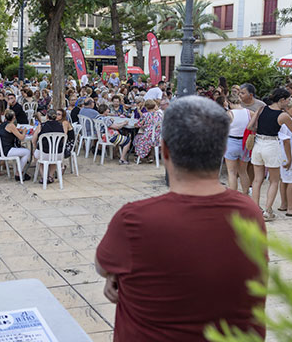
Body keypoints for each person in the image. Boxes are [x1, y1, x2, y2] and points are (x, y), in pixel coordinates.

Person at [96, 96, 266, 342]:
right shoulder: (250, 211)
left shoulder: (135, 219)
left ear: (165, 150)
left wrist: (117, 275)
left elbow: (103, 266)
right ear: (221, 150)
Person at [247, 88, 292, 221]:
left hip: (258, 144)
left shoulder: (261, 109)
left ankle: (255, 209)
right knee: (274, 181)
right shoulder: (283, 116)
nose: (288, 102)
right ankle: (267, 211)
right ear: (282, 100)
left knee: (257, 179)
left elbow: (250, 126)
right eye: (288, 100)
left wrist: (261, 129)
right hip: (271, 145)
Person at [224, 93, 252, 193]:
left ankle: (233, 196)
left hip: (231, 142)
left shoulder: (229, 113)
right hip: (245, 144)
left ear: (229, 102)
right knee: (243, 172)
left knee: (231, 172)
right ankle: (245, 195)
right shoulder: (249, 112)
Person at [31, 109, 66, 184]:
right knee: (53, 156)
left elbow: (33, 140)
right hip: (58, 154)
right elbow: (63, 139)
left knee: (39, 157)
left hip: (44, 153)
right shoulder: (60, 125)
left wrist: (34, 148)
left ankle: (44, 177)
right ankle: (50, 176)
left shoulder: (41, 126)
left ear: (46, 116)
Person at [0, 110, 31, 181]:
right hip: (6, 150)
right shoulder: (11, 125)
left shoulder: (2, 124)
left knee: (22, 149)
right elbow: (21, 138)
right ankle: (18, 173)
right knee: (27, 152)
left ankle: (19, 170)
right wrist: (24, 132)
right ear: (14, 117)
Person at [133, 99, 162, 163]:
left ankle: (138, 157)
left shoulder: (145, 115)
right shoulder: (159, 115)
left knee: (136, 138)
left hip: (148, 137)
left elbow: (138, 125)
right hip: (157, 137)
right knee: (145, 137)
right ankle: (150, 157)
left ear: (146, 107)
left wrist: (135, 124)